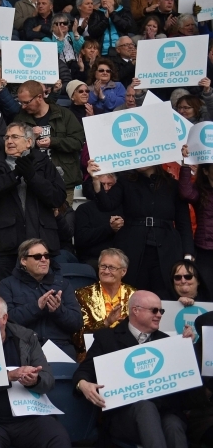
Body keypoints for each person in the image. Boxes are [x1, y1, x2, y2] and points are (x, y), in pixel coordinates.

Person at [74, 290, 192, 448]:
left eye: (161, 311)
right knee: (145, 406)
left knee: (173, 425)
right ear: (135, 310)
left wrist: (186, 350)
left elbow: (184, 382)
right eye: (154, 310)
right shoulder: (107, 338)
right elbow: (84, 371)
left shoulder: (166, 341)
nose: (159, 315)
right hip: (125, 416)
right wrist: (83, 384)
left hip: (163, 411)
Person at [0, 295, 71, 448]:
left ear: (4, 318)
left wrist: (35, 380)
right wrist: (8, 377)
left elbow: (48, 379)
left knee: (58, 438)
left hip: (29, 417)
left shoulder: (26, 337)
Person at [0, 123, 67, 287]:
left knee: (45, 296)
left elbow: (57, 198)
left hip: (40, 245)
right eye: (7, 137)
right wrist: (13, 176)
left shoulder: (43, 163)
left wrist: (32, 177)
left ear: (29, 142)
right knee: (6, 299)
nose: (9, 141)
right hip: (6, 246)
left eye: (15, 137)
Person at [89, 160, 193, 295]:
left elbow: (183, 223)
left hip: (167, 250)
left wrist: (188, 255)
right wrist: (96, 182)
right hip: (133, 248)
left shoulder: (172, 185)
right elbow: (107, 205)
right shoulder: (125, 182)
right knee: (132, 294)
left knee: (165, 294)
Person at [0, 238, 83, 359]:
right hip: (24, 348)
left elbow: (77, 323)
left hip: (60, 347)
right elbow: (7, 320)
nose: (44, 260)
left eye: (46, 256)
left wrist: (58, 311)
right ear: (23, 261)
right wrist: (36, 307)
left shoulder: (63, 284)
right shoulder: (7, 284)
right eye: (37, 257)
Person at [13, 80, 86, 202]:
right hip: (34, 184)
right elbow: (14, 148)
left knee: (65, 219)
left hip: (65, 183)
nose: (23, 106)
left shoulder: (64, 114)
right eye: (21, 102)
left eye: (26, 102)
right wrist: (31, 139)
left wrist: (53, 142)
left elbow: (78, 142)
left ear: (39, 97)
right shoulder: (20, 119)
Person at [74, 248, 136, 356]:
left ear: (123, 271)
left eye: (111, 267)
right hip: (93, 354)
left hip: (129, 353)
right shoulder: (82, 295)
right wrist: (106, 323)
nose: (106, 271)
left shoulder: (135, 295)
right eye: (103, 266)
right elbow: (77, 336)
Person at [178, 148, 213, 292]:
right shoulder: (201, 192)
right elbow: (186, 192)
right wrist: (186, 165)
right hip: (205, 250)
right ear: (205, 171)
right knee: (207, 289)